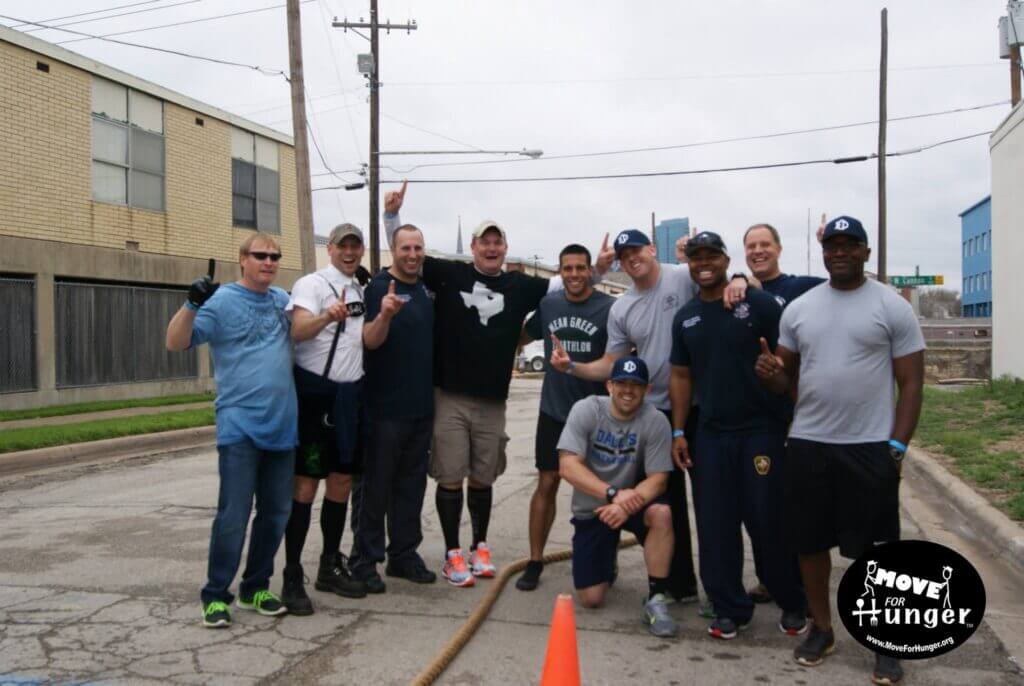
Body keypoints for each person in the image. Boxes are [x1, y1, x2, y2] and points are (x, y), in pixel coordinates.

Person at [383, 184, 614, 586]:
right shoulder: (449, 273)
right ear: (473, 247)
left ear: (505, 249)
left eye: (497, 242)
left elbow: (570, 284)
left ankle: (480, 546)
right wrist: (392, 218)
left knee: (485, 478)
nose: (491, 249)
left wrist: (602, 269)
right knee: (451, 477)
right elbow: (409, 255)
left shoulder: (521, 286)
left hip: (493, 400)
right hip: (450, 396)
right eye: (484, 242)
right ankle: (453, 553)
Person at [756, 215, 925, 685]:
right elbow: (785, 379)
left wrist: (897, 447)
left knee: (877, 551)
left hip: (870, 447)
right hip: (808, 443)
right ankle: (823, 628)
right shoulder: (801, 309)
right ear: (823, 251)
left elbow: (911, 383)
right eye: (833, 245)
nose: (840, 252)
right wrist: (771, 375)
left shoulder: (891, 307)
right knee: (810, 544)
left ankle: (884, 643)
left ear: (866, 253)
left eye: (851, 245)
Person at [550, 228, 750, 603]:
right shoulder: (622, 306)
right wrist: (572, 367)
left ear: (652, 249)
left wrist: (739, 278)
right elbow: (611, 363)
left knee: (713, 504)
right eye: (624, 256)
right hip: (655, 413)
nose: (631, 259)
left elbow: (717, 277)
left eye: (636, 250)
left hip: (699, 408)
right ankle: (678, 587)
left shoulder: (681, 275)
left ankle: (723, 592)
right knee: (664, 503)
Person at [668, 231, 807, 640]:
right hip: (710, 433)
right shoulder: (687, 317)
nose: (704, 263)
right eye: (697, 257)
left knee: (766, 519)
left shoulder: (758, 304)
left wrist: (780, 377)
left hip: (761, 430)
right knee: (715, 524)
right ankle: (730, 607)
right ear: (690, 263)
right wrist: (679, 429)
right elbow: (680, 375)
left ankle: (793, 600)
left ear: (727, 261)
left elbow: (791, 359)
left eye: (712, 255)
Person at [165, 234, 295, 627]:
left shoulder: (282, 301)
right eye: (260, 256)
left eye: (274, 257)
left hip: (283, 427)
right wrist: (192, 302)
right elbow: (175, 342)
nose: (268, 262)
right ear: (242, 260)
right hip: (239, 426)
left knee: (274, 515)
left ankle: (254, 588)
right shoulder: (220, 302)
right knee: (234, 515)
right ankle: (215, 594)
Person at [279, 223, 370, 616]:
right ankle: (291, 573)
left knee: (342, 480)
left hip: (351, 396)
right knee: (306, 485)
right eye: (342, 246)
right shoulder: (311, 284)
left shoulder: (363, 289)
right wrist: (328, 317)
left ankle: (330, 563)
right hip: (317, 395)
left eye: (356, 245)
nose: (349, 252)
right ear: (330, 248)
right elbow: (298, 331)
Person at [515, 244, 614, 591]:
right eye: (567, 268)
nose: (574, 274)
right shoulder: (549, 304)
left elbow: (620, 355)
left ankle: (605, 559)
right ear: (560, 271)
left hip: (596, 413)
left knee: (601, 490)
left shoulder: (609, 307)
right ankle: (535, 559)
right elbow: (520, 335)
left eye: (580, 268)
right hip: (554, 411)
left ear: (590, 271)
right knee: (547, 484)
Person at [557, 356, 678, 638]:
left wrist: (626, 503)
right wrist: (612, 495)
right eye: (621, 383)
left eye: (635, 385)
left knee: (662, 513)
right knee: (592, 599)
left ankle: (657, 598)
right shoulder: (587, 409)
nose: (628, 390)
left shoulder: (655, 420)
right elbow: (568, 466)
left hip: (631, 503)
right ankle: (607, 558)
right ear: (609, 385)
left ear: (647, 390)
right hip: (595, 506)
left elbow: (659, 479)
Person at [348, 223, 438, 589]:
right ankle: (365, 561)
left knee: (410, 488)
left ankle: (403, 555)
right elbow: (368, 341)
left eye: (418, 247)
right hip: (383, 410)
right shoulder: (377, 289)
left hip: (420, 409)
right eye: (406, 248)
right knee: (374, 488)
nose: (413, 254)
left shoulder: (426, 289)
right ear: (393, 250)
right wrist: (384, 313)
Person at [742, 221, 825, 605]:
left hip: (795, 413)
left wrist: (827, 244)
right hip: (756, 415)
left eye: (764, 244)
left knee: (790, 504)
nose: (758, 251)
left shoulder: (799, 288)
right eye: (751, 246)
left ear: (778, 248)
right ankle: (770, 577)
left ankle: (799, 582)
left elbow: (837, 285)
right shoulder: (739, 288)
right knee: (758, 507)